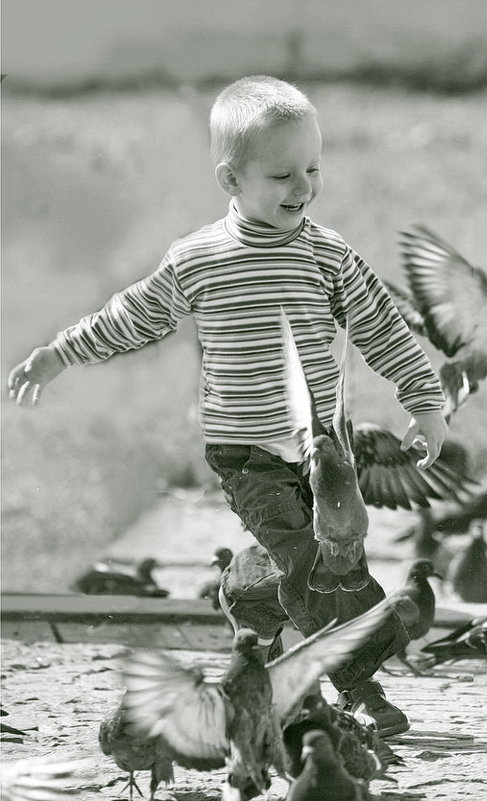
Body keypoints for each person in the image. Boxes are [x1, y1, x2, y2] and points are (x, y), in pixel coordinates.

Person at [6, 75, 449, 736]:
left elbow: (384, 327)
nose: (303, 187)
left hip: (326, 450)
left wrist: (425, 400)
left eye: (312, 168)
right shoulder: (198, 259)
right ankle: (360, 690)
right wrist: (61, 352)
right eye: (282, 174)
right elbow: (132, 316)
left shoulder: (329, 257)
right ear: (230, 179)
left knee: (335, 562)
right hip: (246, 456)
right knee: (307, 560)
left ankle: (247, 593)